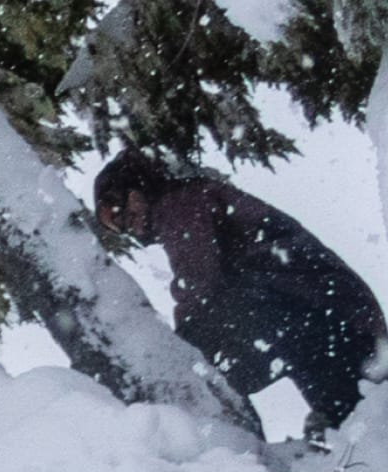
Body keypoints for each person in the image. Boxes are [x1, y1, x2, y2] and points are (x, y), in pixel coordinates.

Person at [94, 151, 386, 433]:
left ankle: (222, 442)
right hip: (334, 317)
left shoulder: (181, 203)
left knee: (204, 356)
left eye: (115, 209)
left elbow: (198, 281)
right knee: (355, 424)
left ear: (136, 189)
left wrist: (179, 354)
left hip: (316, 310)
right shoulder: (189, 200)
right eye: (111, 225)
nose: (123, 225)